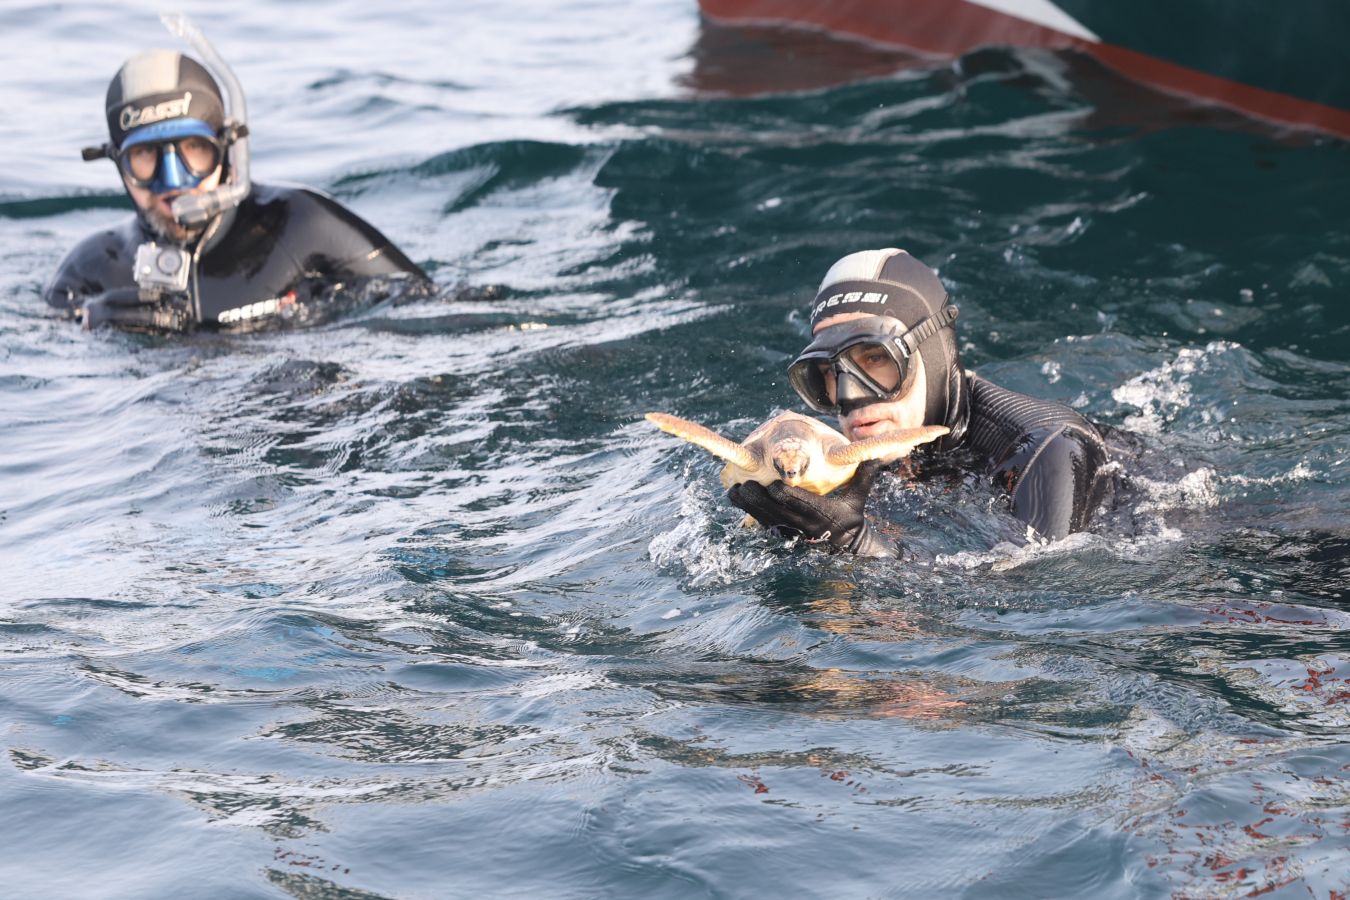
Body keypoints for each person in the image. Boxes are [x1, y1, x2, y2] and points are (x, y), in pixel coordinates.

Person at [728, 248, 1111, 557]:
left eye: (875, 358)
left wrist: (857, 545)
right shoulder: (854, 459)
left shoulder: (1051, 448)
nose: (849, 395)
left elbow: (1035, 594)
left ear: (932, 356)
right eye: (829, 371)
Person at [45, 25, 428, 333]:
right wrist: (89, 324)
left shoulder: (301, 224)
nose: (173, 181)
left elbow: (425, 304)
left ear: (228, 148)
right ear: (117, 162)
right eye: (145, 156)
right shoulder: (92, 269)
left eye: (194, 149)